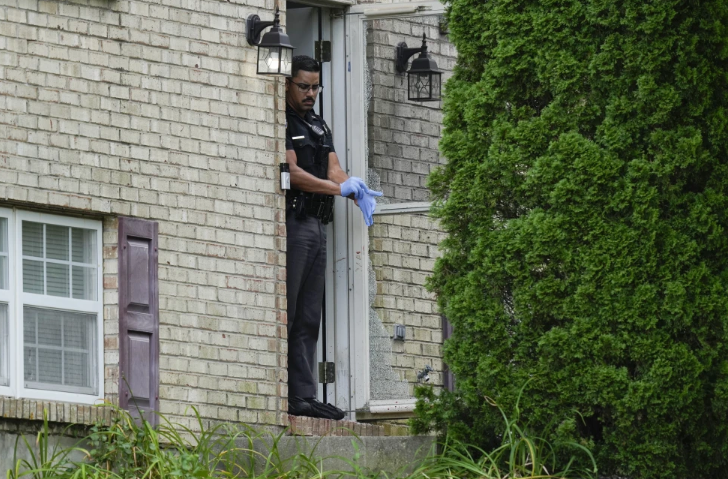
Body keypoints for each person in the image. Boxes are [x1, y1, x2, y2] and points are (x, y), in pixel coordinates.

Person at [284, 56, 381, 420]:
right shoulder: (283, 120)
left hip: (317, 225)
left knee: (311, 315)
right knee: (290, 312)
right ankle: (290, 396)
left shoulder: (317, 123)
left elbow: (334, 168)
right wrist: (336, 191)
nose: (311, 93)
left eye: (315, 87)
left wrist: (353, 186)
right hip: (295, 222)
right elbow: (292, 172)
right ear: (287, 84)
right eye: (304, 86)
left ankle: (305, 397)